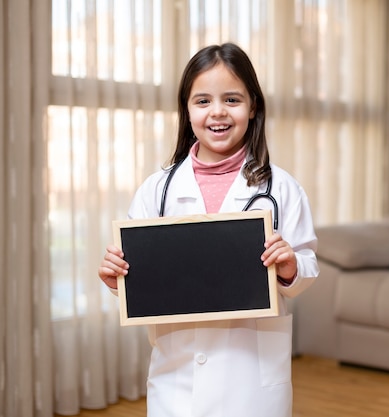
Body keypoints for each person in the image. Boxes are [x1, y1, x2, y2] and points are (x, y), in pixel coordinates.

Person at [98, 43, 319, 417]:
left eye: (232, 99)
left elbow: (308, 265)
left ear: (253, 107)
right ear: (187, 111)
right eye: (202, 101)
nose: (217, 112)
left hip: (249, 376)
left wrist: (290, 266)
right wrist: (116, 276)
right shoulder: (157, 190)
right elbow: (140, 281)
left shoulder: (281, 189)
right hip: (178, 376)